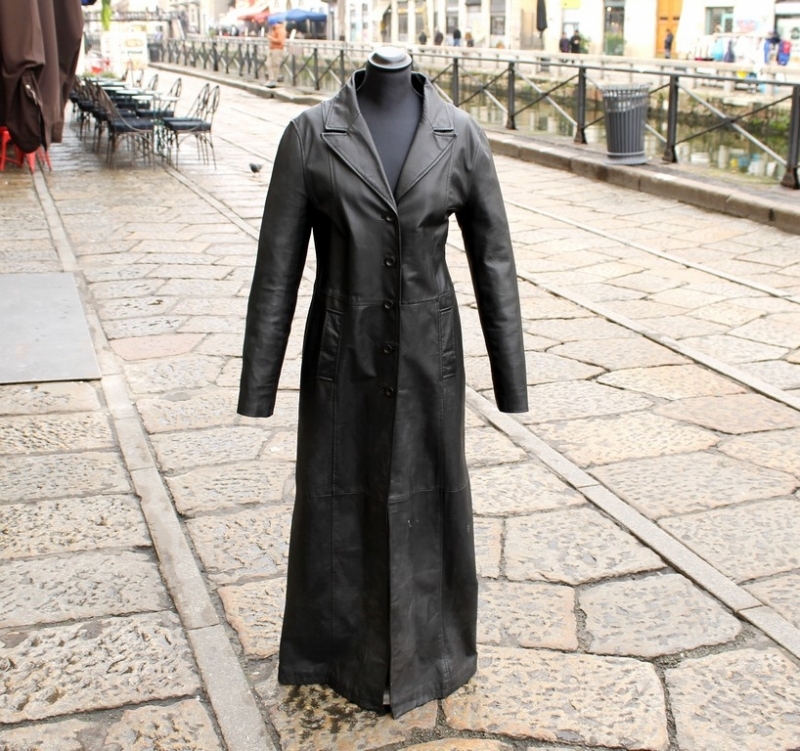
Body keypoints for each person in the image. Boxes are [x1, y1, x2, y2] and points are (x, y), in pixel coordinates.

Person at [238, 44, 527, 719]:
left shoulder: (460, 136)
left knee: (432, 493)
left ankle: (436, 651)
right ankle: (332, 651)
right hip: (344, 355)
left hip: (430, 358)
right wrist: (259, 384)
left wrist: (510, 378)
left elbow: (494, 259)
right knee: (337, 495)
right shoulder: (311, 135)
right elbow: (277, 267)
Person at [267, 21, 286, 85]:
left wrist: (271, 38)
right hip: (272, 49)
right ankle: (271, 79)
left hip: (277, 49)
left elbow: (281, 41)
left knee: (275, 65)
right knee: (269, 64)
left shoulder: (280, 30)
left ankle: (274, 80)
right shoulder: (274, 30)